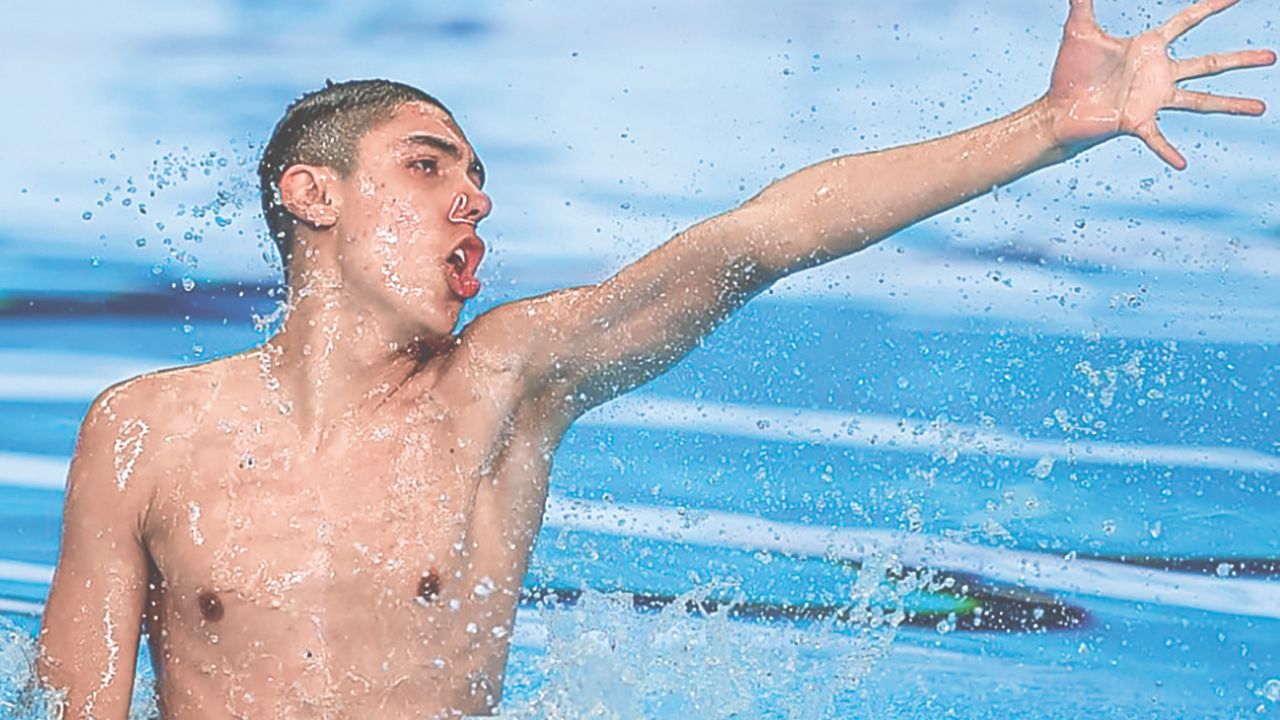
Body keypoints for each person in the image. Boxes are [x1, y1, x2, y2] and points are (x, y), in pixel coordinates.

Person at [34, 0, 1273, 717]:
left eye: (480, 183)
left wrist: (1054, 125)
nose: (471, 202)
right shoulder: (143, 428)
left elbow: (755, 241)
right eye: (428, 165)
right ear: (309, 192)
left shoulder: (503, 385)